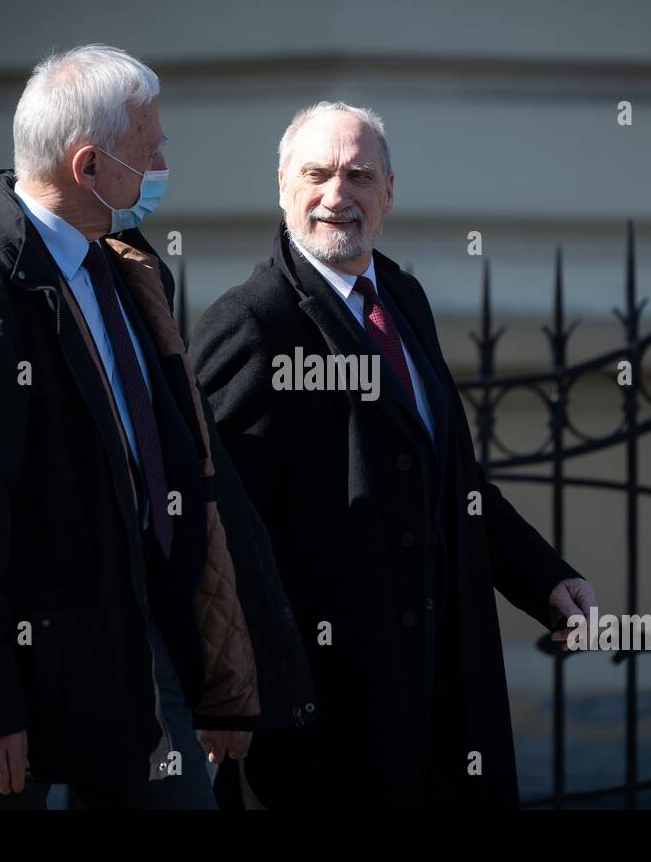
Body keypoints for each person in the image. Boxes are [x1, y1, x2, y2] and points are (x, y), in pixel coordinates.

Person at [0, 45, 314, 810]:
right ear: (89, 167)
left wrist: (224, 672)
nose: (161, 160)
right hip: (11, 690)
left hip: (130, 654)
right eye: (149, 147)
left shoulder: (118, 267)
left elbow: (177, 471)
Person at [191, 101, 597, 807]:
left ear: (389, 193)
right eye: (316, 174)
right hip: (322, 720)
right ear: (282, 185)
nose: (336, 195)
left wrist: (543, 579)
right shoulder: (252, 322)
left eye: (358, 175)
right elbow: (212, 527)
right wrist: (223, 688)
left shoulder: (401, 298)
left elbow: (451, 477)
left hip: (440, 693)